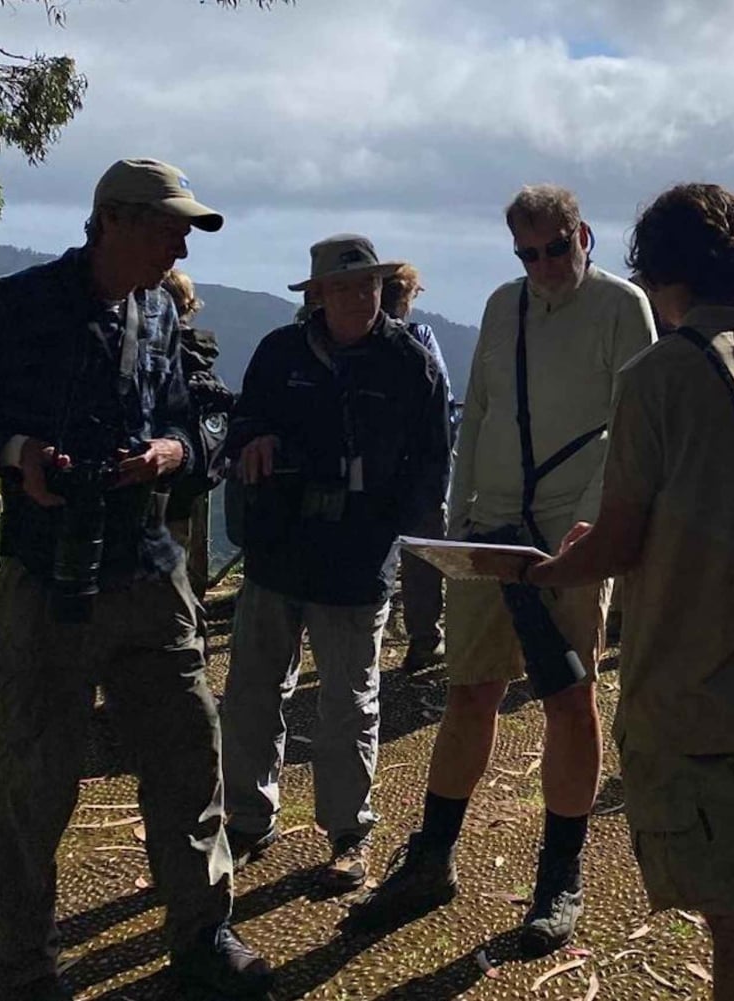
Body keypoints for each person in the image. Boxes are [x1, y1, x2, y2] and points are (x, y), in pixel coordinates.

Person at [0, 158, 271, 999]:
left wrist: (174, 453)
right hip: (49, 576)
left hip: (152, 572)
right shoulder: (18, 306)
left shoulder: (161, 312)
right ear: (110, 220)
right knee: (29, 782)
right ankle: (22, 969)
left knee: (189, 755)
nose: (183, 243)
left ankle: (201, 933)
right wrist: (19, 453)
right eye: (168, 226)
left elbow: (206, 426)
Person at [512, 182, 734, 1000]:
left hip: (692, 668)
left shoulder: (656, 374)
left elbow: (619, 539)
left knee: (727, 907)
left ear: (657, 267)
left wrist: (543, 568)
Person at [350, 186, 656, 954]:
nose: (545, 264)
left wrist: (589, 525)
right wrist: (457, 524)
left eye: (557, 247)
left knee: (570, 697)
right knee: (470, 689)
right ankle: (433, 855)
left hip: (572, 533)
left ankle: (560, 873)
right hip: (493, 526)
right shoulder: (503, 304)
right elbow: (479, 409)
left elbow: (632, 422)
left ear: (583, 233)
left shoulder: (624, 307)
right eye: (528, 252)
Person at [218, 235, 451, 891]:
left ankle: (349, 832)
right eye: (344, 286)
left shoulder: (410, 362)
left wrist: (393, 525)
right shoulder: (279, 352)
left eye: (368, 284)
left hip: (355, 559)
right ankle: (248, 818)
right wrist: (251, 438)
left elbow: (434, 456)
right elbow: (241, 423)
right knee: (253, 691)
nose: (358, 296)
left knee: (349, 701)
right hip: (277, 550)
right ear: (316, 294)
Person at [381, 263, 457, 672]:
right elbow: (443, 401)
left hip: (376, 470)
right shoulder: (420, 338)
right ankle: (423, 639)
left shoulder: (364, 342)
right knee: (423, 555)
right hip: (422, 470)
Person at [159, 268, 234, 596]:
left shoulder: (160, 355)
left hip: (157, 489)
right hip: (196, 484)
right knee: (186, 584)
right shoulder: (201, 358)